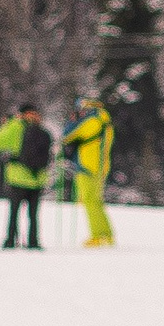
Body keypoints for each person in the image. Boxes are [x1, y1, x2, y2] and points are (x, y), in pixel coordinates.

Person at [0, 104, 53, 250]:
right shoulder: (42, 131)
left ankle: (10, 240)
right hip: (37, 178)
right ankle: (33, 241)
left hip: (17, 176)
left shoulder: (16, 126)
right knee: (33, 214)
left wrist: (9, 123)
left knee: (14, 212)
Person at [62, 95, 115, 248]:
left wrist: (73, 121)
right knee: (96, 202)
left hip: (88, 166)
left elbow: (68, 135)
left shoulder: (94, 121)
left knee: (90, 202)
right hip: (98, 165)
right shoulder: (104, 120)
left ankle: (97, 236)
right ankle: (106, 234)